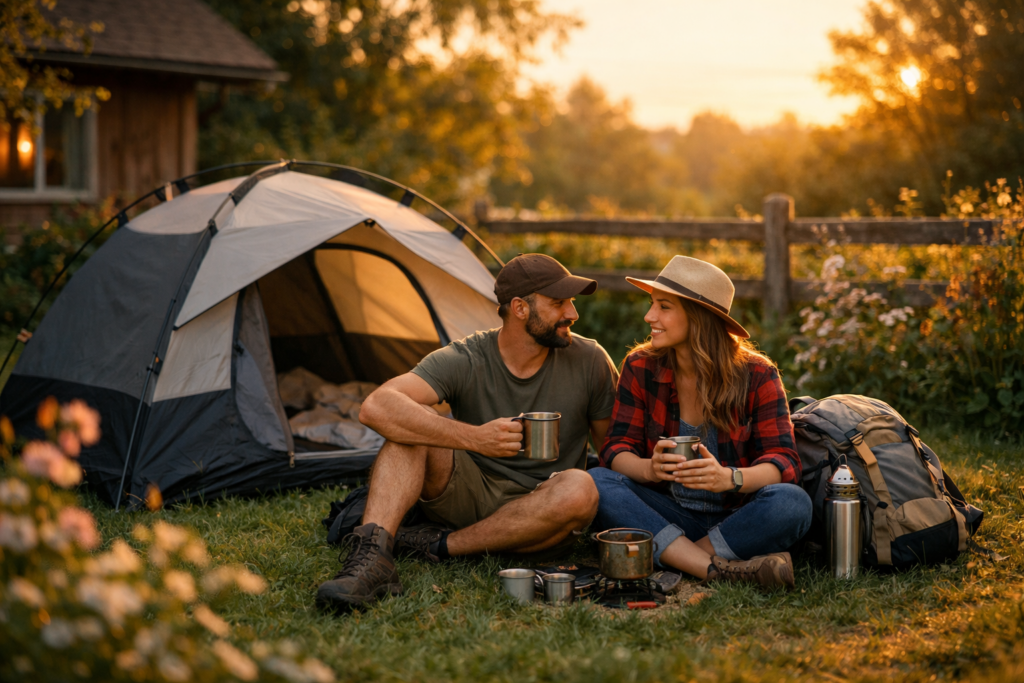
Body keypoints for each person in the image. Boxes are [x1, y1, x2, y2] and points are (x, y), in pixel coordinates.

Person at [317, 253, 619, 610]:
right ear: (520, 308)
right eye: (558, 303)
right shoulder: (468, 356)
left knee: (580, 487)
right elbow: (376, 406)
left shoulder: (591, 360)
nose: (573, 313)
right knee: (409, 425)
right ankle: (371, 558)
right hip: (468, 492)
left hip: (544, 511)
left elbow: (612, 450)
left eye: (570, 302)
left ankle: (439, 545)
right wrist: (476, 439)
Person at [590, 255, 811, 590]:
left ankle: (681, 560)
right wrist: (649, 469)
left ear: (699, 317)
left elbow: (783, 462)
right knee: (597, 481)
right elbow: (616, 449)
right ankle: (720, 570)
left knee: (792, 503)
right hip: (667, 513)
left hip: (738, 518)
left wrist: (728, 478)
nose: (650, 317)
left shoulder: (757, 374)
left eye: (664, 307)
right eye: (652, 305)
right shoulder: (640, 366)